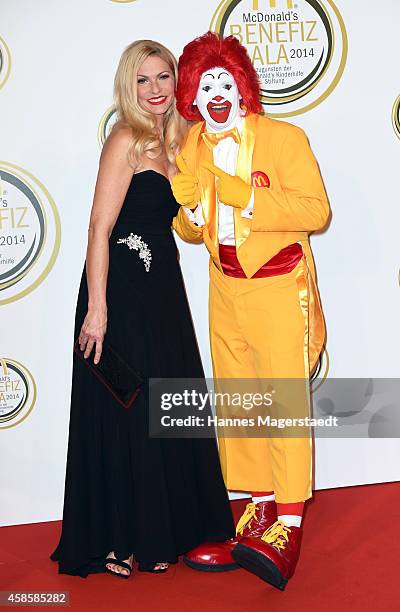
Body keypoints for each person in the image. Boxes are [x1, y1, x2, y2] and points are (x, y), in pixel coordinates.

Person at [50, 39, 235, 579]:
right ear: (128, 88)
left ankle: (165, 533)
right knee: (125, 413)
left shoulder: (179, 141)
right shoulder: (126, 138)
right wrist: (98, 308)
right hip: (120, 296)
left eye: (163, 78)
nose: (155, 90)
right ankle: (116, 538)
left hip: (163, 295)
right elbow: (98, 228)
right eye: (143, 81)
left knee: (167, 411)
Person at [172, 32, 330, 590]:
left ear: (242, 86)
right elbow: (191, 230)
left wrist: (248, 198)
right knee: (240, 402)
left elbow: (316, 210)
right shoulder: (191, 144)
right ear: (194, 95)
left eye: (226, 81)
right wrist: (190, 210)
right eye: (205, 84)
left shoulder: (285, 138)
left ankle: (289, 521)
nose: (217, 92)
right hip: (225, 288)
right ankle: (258, 507)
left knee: (282, 403)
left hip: (278, 286)